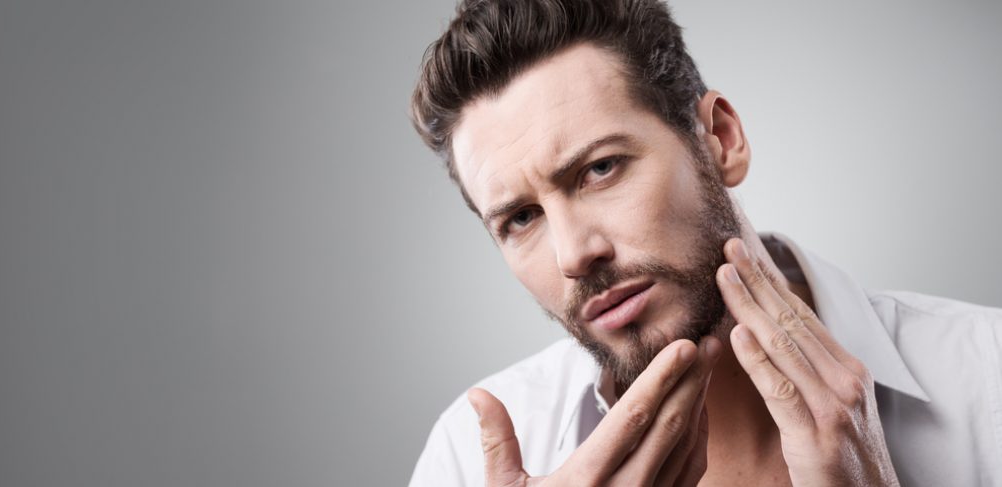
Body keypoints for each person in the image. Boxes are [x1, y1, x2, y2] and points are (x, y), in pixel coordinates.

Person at [407, 1, 1002, 485]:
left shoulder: (986, 379)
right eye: (520, 219)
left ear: (719, 138)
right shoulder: (468, 458)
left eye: (600, 169)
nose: (572, 254)